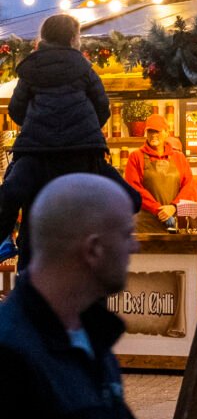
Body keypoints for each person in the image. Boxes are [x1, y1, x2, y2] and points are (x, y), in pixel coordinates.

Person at [0, 173, 165, 419]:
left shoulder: (91, 337)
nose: (135, 248)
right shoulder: (13, 357)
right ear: (93, 249)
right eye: (127, 235)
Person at [0, 15, 124, 268]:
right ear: (72, 39)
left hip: (36, 154)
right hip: (81, 153)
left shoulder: (31, 71)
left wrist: (37, 127)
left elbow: (15, 109)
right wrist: (83, 130)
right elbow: (102, 107)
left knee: (12, 195)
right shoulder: (85, 69)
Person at [123, 113, 197, 234]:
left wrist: (173, 207)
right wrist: (158, 210)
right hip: (144, 224)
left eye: (157, 131)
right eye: (150, 132)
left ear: (166, 132)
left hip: (173, 222)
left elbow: (189, 186)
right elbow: (134, 188)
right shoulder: (136, 156)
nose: (153, 135)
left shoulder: (179, 157)